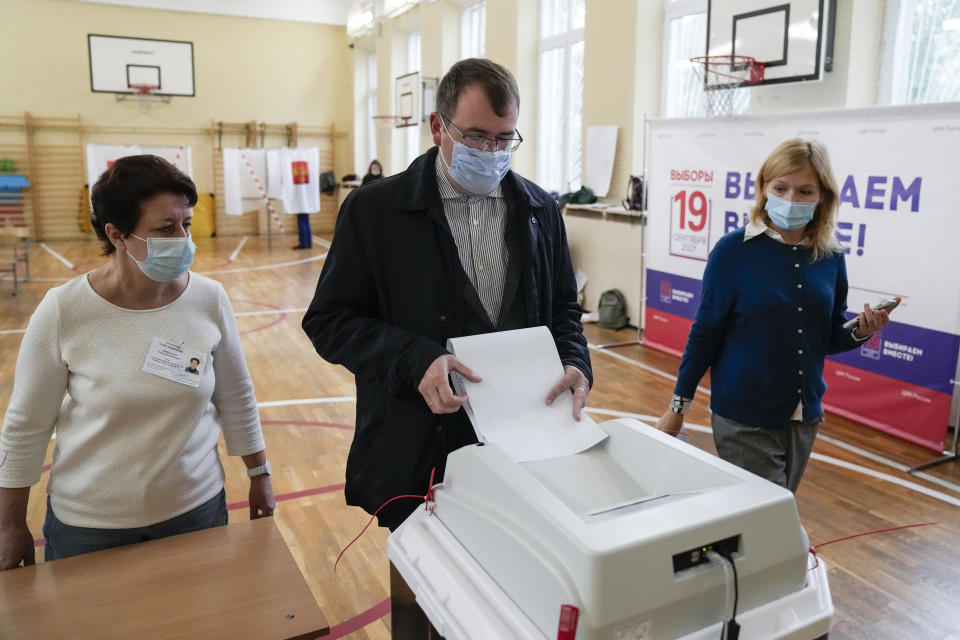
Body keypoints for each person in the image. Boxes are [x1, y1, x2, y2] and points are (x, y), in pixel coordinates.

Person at [302, 58, 591, 530]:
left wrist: (577, 361)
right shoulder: (377, 211)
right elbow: (330, 321)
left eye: (504, 139)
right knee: (424, 592)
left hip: (521, 441)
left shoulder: (540, 209)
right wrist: (415, 358)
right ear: (438, 126)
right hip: (419, 443)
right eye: (476, 136)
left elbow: (563, 309)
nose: (492, 152)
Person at [0, 155, 275, 570]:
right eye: (165, 228)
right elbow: (26, 425)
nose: (183, 238)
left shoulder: (209, 298)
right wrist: (9, 524)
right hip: (89, 529)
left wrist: (260, 474)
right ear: (117, 235)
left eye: (186, 223)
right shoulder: (64, 310)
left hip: (196, 512)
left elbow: (236, 395)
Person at [655, 139, 898, 492]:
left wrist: (860, 332)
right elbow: (705, 334)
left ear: (822, 198)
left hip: (804, 418)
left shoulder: (830, 257)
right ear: (763, 188)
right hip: (743, 419)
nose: (791, 200)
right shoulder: (733, 252)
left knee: (768, 520)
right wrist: (678, 406)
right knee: (767, 523)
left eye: (805, 191)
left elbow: (826, 337)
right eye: (781, 188)